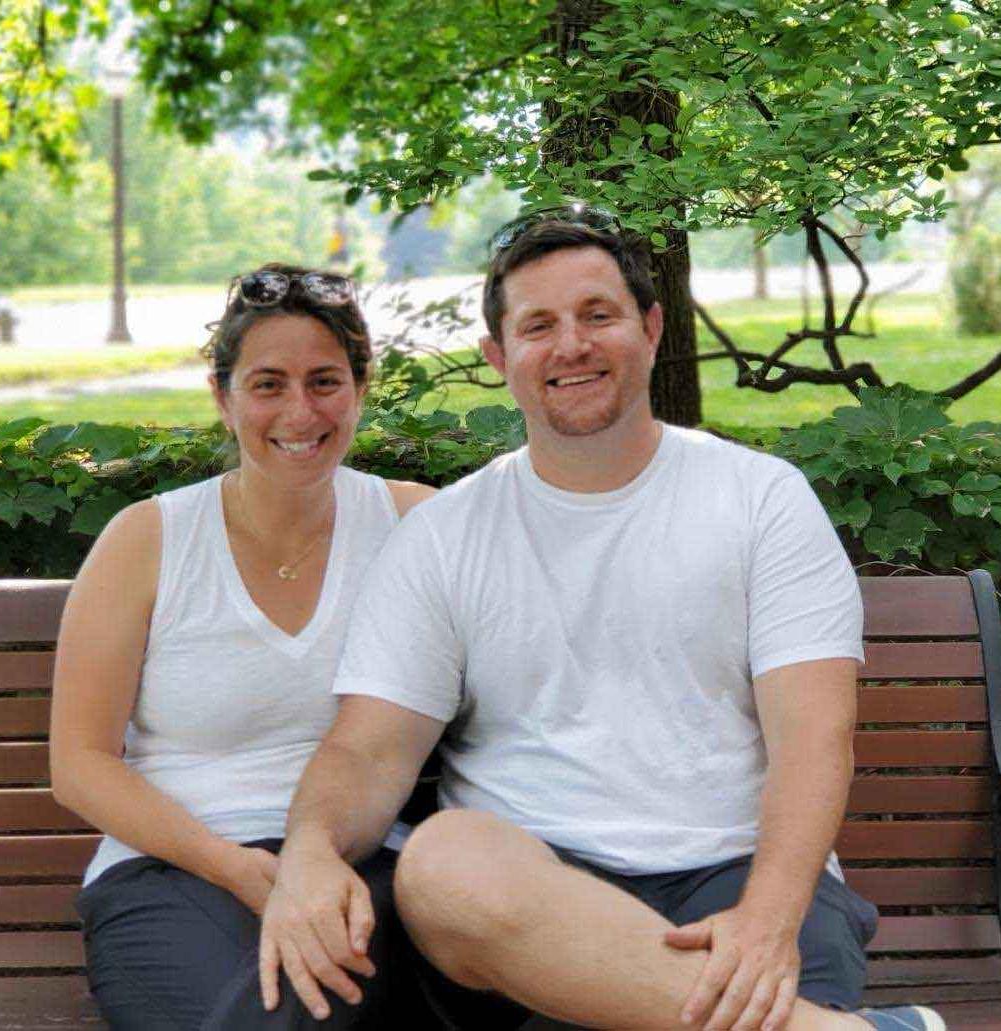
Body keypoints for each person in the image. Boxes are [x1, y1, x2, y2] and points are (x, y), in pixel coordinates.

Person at [258, 212, 946, 1031]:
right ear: (497, 357)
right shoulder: (445, 536)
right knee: (442, 861)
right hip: (532, 902)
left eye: (597, 315)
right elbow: (367, 748)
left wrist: (765, 924)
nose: (571, 346)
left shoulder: (760, 499)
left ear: (651, 329)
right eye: (537, 326)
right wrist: (304, 850)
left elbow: (813, 740)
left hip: (737, 875)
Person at [49, 264, 435, 1029]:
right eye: (268, 384)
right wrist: (240, 869)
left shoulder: (414, 528)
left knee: (305, 998)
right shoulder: (148, 539)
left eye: (325, 380)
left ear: (362, 387)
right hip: (169, 869)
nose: (300, 410)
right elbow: (80, 763)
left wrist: (306, 865)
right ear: (222, 396)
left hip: (360, 866)